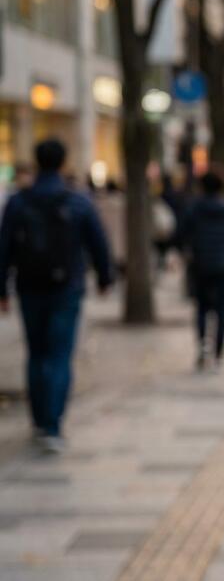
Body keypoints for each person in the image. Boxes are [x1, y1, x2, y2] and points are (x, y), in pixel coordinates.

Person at [0, 140, 113, 453]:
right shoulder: (77, 200)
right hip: (67, 288)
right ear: (63, 162)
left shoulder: (19, 201)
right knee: (60, 354)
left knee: (36, 353)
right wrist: (105, 278)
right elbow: (98, 242)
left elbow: (4, 245)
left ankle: (38, 420)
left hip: (29, 286)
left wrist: (2, 290)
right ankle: (53, 424)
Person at [179, 171, 224, 371]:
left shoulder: (193, 209)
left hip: (200, 264)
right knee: (222, 310)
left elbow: (182, 234)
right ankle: (218, 354)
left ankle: (202, 346)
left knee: (201, 308)